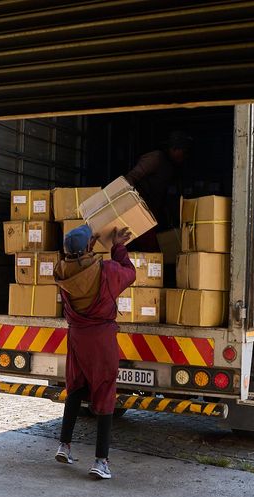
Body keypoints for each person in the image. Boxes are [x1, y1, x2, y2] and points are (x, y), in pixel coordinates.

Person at [53, 224, 136, 479]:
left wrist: (85, 247)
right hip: (101, 338)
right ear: (88, 248)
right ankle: (101, 461)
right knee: (104, 391)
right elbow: (130, 274)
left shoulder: (61, 272)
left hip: (77, 336)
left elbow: (78, 265)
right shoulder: (107, 270)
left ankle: (64, 446)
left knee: (76, 387)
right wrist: (117, 247)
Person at [124, 130, 193, 232]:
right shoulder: (155, 158)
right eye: (184, 152)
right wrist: (136, 206)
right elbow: (129, 179)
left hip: (152, 215)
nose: (185, 156)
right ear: (175, 149)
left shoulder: (172, 166)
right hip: (139, 212)